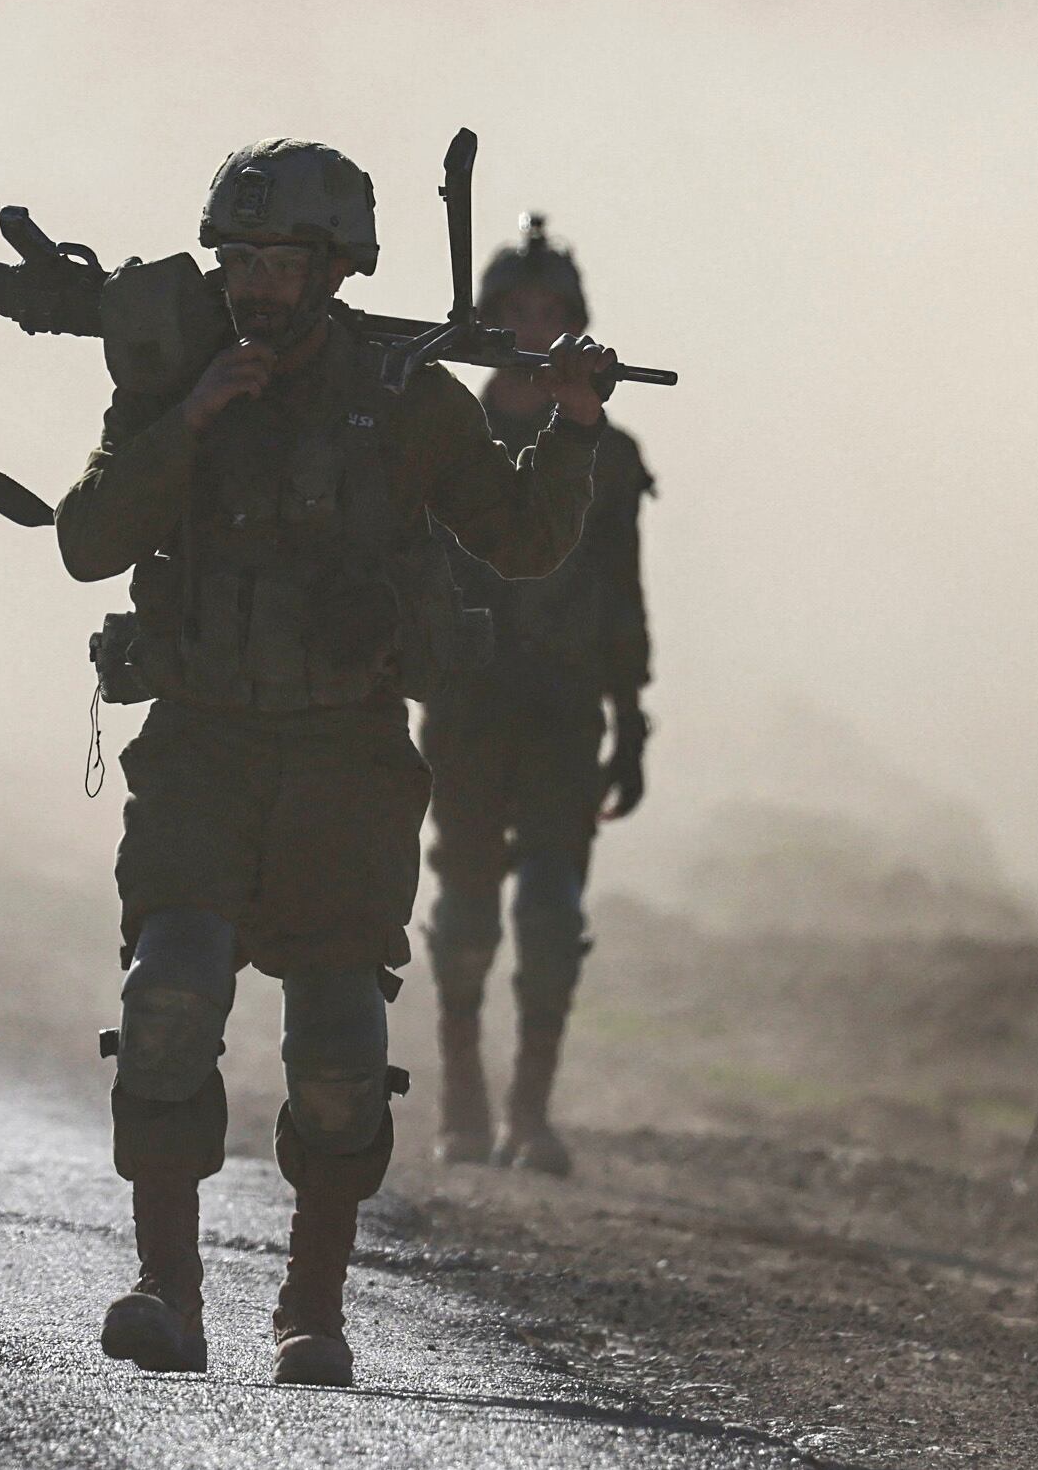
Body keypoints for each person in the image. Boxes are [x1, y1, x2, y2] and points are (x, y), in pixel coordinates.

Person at [55, 139, 617, 1388]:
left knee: (339, 1041)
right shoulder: (172, 375)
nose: (254, 283)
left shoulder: (404, 396)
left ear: (334, 266)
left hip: (345, 757)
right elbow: (86, 539)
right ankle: (166, 1286)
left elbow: (519, 539)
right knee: (170, 995)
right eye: (238, 258)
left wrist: (574, 429)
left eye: (280, 260)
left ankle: (312, 1307)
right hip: (201, 740)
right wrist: (191, 420)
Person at [420, 217, 653, 1176]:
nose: (530, 324)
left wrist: (631, 719)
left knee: (551, 912)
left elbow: (621, 591)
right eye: (513, 310)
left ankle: (530, 1111)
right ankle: (464, 1102)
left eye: (548, 310)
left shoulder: (607, 447)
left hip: (563, 707)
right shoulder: (442, 426)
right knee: (468, 909)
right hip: (467, 706)